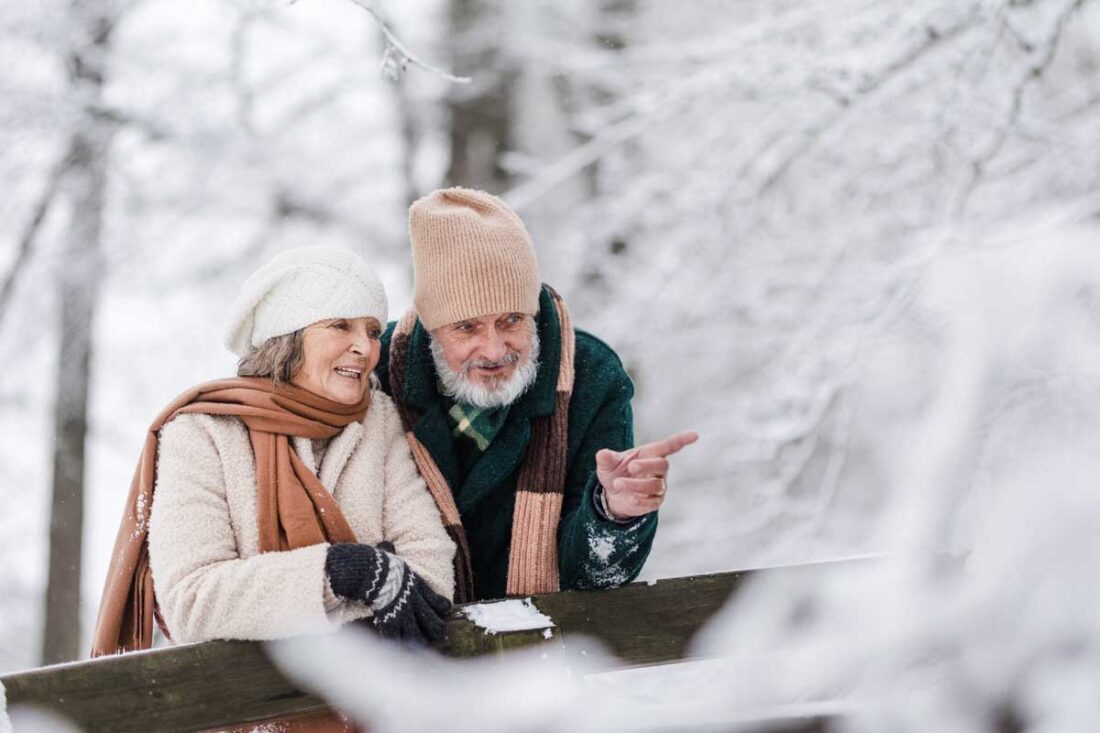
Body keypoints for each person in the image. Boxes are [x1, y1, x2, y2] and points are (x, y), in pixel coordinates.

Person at [92, 246, 456, 659]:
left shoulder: (380, 421)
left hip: (375, 705)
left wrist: (268, 605)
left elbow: (431, 576)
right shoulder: (202, 432)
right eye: (340, 325)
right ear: (287, 336)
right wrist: (347, 574)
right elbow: (191, 603)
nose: (365, 347)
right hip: (242, 708)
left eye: (372, 331)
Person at [375, 187, 698, 602]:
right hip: (402, 649)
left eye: (511, 320)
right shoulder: (377, 369)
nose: (494, 350)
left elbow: (594, 580)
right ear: (432, 329)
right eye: (467, 327)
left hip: (537, 653)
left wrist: (614, 514)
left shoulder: (591, 378)